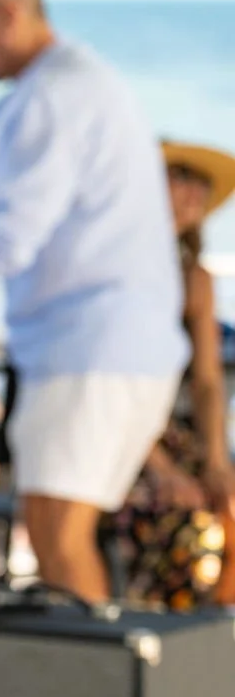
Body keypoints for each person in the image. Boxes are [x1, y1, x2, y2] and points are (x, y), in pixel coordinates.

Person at [0, 0, 187, 605]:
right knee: (67, 534)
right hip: (123, 349)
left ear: (6, 14)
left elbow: (11, 235)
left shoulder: (47, 94)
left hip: (88, 352)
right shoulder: (85, 79)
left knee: (57, 535)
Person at [110, 141, 235, 608]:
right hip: (119, 432)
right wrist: (161, 468)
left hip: (176, 437)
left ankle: (208, 655)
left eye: (201, 185)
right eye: (180, 177)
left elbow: (207, 383)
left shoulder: (195, 279)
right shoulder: (110, 266)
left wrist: (217, 463)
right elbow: (110, 381)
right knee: (189, 526)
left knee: (223, 504)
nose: (193, 194)